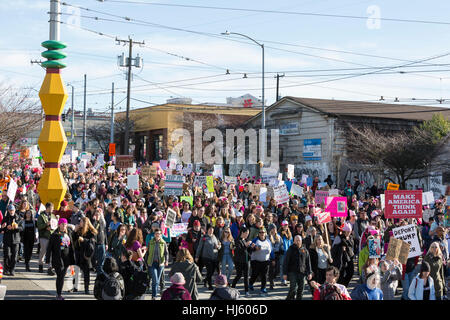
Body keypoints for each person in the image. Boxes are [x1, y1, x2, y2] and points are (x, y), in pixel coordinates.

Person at [45, 218, 76, 300]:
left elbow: (71, 246)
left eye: (65, 224)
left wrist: (73, 258)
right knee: (60, 276)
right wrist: (47, 259)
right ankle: (59, 294)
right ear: (59, 224)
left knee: (62, 276)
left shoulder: (68, 233)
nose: (64, 226)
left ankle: (59, 293)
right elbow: (49, 248)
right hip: (58, 258)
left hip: (67, 258)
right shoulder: (54, 234)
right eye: (62, 224)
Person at [72, 216, 98, 294]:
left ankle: (86, 289)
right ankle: (75, 287)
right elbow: (73, 239)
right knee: (75, 271)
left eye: (81, 222)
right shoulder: (79, 230)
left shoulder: (91, 232)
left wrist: (84, 240)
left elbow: (92, 243)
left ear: (85, 223)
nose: (80, 223)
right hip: (78, 253)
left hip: (86, 255)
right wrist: (75, 231)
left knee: (86, 272)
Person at [283, 235, 312, 300]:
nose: (297, 242)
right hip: (292, 272)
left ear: (301, 241)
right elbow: (286, 262)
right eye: (296, 240)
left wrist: (309, 272)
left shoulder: (304, 250)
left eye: (299, 240)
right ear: (294, 241)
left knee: (301, 289)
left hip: (302, 272)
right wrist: (284, 273)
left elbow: (308, 262)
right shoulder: (290, 249)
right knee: (293, 288)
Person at [248, 228, 273, 296]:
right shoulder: (255, 240)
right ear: (258, 233)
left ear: (265, 233)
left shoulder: (268, 241)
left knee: (264, 275)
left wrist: (273, 259)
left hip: (266, 261)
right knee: (255, 274)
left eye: (263, 232)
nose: (262, 234)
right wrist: (254, 248)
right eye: (260, 232)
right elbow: (249, 249)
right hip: (256, 260)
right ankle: (250, 284)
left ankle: (263, 288)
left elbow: (271, 250)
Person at [195, 224, 221, 290]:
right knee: (209, 271)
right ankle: (210, 285)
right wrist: (197, 256)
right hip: (206, 257)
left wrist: (218, 247)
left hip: (214, 257)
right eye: (210, 229)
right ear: (207, 230)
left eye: (212, 230)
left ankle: (205, 280)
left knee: (212, 271)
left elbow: (219, 245)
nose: (211, 231)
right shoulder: (204, 237)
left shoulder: (215, 237)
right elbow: (199, 247)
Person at [1, 204, 24, 276]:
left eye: (12, 210)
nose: (11, 212)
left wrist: (16, 227)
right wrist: (4, 227)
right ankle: (6, 269)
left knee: (14, 256)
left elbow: (22, 228)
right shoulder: (5, 218)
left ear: (14, 210)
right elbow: (1, 229)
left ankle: (12, 269)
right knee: (7, 255)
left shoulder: (19, 218)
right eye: (10, 210)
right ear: (8, 211)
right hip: (7, 239)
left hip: (16, 239)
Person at [146, 228, 169, 300]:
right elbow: (147, 253)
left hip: (160, 264)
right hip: (152, 263)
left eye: (159, 234)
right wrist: (146, 262)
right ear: (154, 234)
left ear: (161, 234)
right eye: (156, 234)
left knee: (157, 281)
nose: (158, 235)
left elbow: (166, 253)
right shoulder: (150, 242)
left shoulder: (163, 243)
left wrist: (167, 261)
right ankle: (154, 296)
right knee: (155, 280)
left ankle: (154, 294)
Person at [36, 202, 57, 275]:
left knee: (51, 252)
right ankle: (40, 265)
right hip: (44, 236)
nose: (52, 209)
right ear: (47, 208)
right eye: (51, 208)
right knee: (43, 251)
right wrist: (46, 225)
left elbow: (55, 226)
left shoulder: (53, 216)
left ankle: (50, 268)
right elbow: (39, 226)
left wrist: (51, 229)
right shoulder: (41, 216)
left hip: (52, 236)